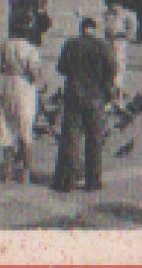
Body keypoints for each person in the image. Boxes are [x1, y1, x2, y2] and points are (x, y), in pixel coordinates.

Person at [51, 17, 119, 193]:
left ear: (82, 29)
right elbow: (112, 69)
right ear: (94, 29)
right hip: (96, 98)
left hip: (73, 96)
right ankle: (93, 181)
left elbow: (61, 68)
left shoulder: (71, 44)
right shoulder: (103, 46)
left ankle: (66, 181)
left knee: (70, 139)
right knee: (94, 140)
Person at [0, 26, 43, 184]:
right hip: (24, 88)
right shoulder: (30, 49)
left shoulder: (4, 46)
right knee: (26, 132)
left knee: (7, 129)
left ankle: (7, 171)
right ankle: (26, 173)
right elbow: (34, 74)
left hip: (8, 85)